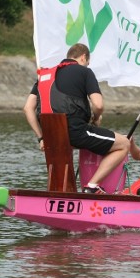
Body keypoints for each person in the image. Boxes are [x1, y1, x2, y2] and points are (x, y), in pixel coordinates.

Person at [23, 43, 130, 194]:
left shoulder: (45, 76)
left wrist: (41, 138)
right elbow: (98, 105)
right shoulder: (84, 72)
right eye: (87, 62)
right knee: (124, 144)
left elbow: (27, 108)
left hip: (50, 136)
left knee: (84, 142)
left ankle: (62, 191)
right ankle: (91, 186)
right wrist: (96, 118)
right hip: (74, 132)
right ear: (83, 57)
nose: (87, 65)